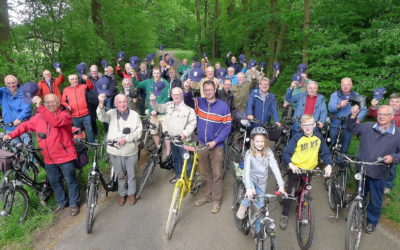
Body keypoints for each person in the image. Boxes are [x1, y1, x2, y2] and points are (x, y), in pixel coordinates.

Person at [4, 94, 80, 216]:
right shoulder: (39, 117)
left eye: (53, 102)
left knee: (70, 180)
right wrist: (11, 135)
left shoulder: (64, 115)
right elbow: (25, 125)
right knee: (55, 182)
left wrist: (41, 107)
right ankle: (62, 202)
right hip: (49, 158)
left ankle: (74, 203)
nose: (50, 104)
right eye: (47, 102)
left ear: (58, 102)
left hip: (65, 156)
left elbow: (55, 122)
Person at [347, 105, 400, 233]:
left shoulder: (397, 134)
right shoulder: (368, 126)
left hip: (379, 172)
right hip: (362, 169)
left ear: (392, 116)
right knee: (360, 195)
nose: (381, 116)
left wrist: (393, 158)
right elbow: (352, 128)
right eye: (380, 114)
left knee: (375, 200)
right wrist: (353, 116)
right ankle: (356, 214)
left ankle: (372, 221)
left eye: (385, 114)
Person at [185, 80, 231, 214]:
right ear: (203, 91)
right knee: (205, 172)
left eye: (210, 89)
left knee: (217, 174)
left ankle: (216, 200)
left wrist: (216, 141)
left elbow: (227, 126)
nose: (208, 92)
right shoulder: (200, 102)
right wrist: (187, 91)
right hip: (202, 144)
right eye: (206, 90)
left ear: (215, 89)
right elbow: (187, 102)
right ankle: (208, 196)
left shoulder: (223, 107)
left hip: (216, 146)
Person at [279, 114, 332, 229]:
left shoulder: (319, 137)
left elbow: (326, 153)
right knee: (291, 192)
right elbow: (286, 153)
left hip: (309, 170)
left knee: (304, 188)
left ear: (314, 125)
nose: (308, 127)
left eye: (310, 124)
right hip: (296, 168)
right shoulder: (297, 137)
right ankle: (284, 215)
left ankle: (300, 207)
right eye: (305, 125)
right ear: (301, 126)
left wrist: (329, 165)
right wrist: (291, 164)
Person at [236, 127, 286, 232]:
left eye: (262, 141)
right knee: (250, 194)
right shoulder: (249, 154)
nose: (260, 143)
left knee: (261, 209)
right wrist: (249, 188)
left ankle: (259, 232)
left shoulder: (269, 153)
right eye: (257, 141)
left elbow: (275, 168)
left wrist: (281, 185)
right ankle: (243, 205)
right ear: (253, 142)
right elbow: (247, 171)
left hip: (262, 182)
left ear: (266, 141)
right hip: (251, 179)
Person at [97, 93, 142, 206]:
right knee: (120, 174)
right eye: (120, 102)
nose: (123, 104)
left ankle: (131, 193)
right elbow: (101, 116)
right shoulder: (111, 113)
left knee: (131, 174)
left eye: (125, 102)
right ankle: (122, 194)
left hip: (130, 150)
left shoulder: (134, 115)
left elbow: (139, 131)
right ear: (115, 104)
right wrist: (101, 103)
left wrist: (126, 139)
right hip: (115, 151)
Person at [150, 87, 197, 183]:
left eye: (178, 94)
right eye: (174, 95)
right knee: (176, 159)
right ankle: (178, 176)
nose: (176, 96)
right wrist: (154, 101)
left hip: (184, 141)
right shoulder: (168, 105)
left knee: (186, 160)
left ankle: (189, 179)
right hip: (172, 139)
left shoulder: (189, 110)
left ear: (182, 95)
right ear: (171, 96)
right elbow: (158, 107)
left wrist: (185, 133)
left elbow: (193, 123)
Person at [368, 92, 400, 193]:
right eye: (392, 101)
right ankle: (372, 180)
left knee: (392, 165)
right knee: (377, 160)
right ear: (389, 101)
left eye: (397, 101)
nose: (394, 103)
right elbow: (372, 113)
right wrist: (373, 106)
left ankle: (387, 185)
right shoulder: (384, 110)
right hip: (379, 140)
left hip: (395, 143)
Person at [136, 67, 170, 158]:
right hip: (152, 112)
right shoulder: (148, 82)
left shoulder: (166, 83)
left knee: (166, 133)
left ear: (160, 73)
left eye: (158, 73)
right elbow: (137, 84)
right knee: (153, 132)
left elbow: (167, 98)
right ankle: (159, 148)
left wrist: (157, 109)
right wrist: (132, 76)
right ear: (152, 74)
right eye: (154, 73)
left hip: (162, 112)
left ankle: (168, 151)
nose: (156, 75)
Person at [328, 77, 367, 153]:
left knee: (345, 144)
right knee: (332, 143)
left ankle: (341, 161)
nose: (345, 87)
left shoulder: (356, 96)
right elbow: (330, 108)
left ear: (351, 85)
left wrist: (358, 119)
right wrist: (339, 105)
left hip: (348, 124)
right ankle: (330, 160)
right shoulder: (335, 95)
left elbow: (364, 109)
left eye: (347, 85)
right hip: (335, 123)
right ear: (341, 85)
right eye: (343, 85)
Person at [61, 74, 95, 142]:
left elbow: (91, 86)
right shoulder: (66, 90)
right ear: (69, 81)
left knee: (89, 129)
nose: (75, 80)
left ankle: (92, 144)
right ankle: (82, 145)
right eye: (72, 79)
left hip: (85, 113)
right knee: (78, 131)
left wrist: (87, 79)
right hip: (74, 115)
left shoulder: (83, 86)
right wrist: (67, 106)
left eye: (76, 78)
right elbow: (63, 101)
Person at [0, 75, 32, 144]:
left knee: (28, 149)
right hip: (9, 127)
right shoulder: (3, 93)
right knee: (15, 150)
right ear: (5, 84)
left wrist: (19, 118)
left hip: (23, 125)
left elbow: (27, 108)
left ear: (17, 82)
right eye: (8, 83)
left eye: (13, 82)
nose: (11, 85)